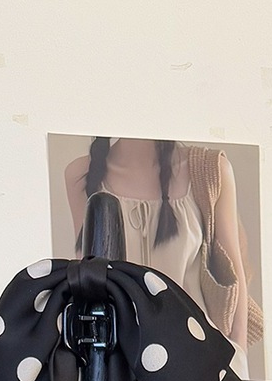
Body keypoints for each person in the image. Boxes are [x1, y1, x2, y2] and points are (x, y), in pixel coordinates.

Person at [63, 137, 260, 366]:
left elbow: (234, 271)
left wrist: (238, 355)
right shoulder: (80, 174)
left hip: (197, 357)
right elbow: (89, 275)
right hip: (119, 364)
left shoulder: (210, 169)